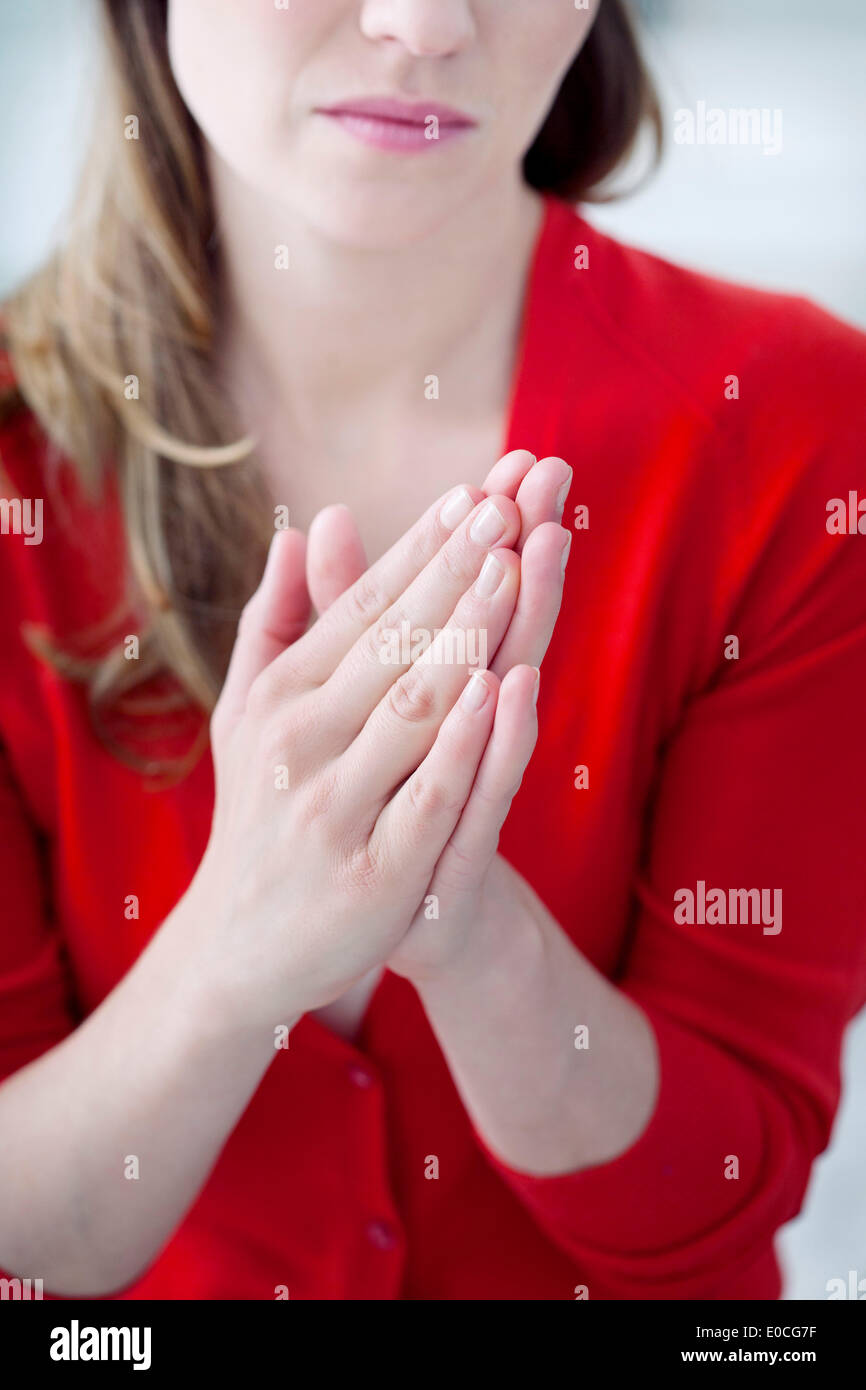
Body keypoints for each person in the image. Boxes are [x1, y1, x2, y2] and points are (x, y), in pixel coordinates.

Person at [0, 0, 864, 1301]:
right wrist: (237, 948)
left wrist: (470, 936)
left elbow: (717, 1194)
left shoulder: (798, 430)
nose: (421, 23)